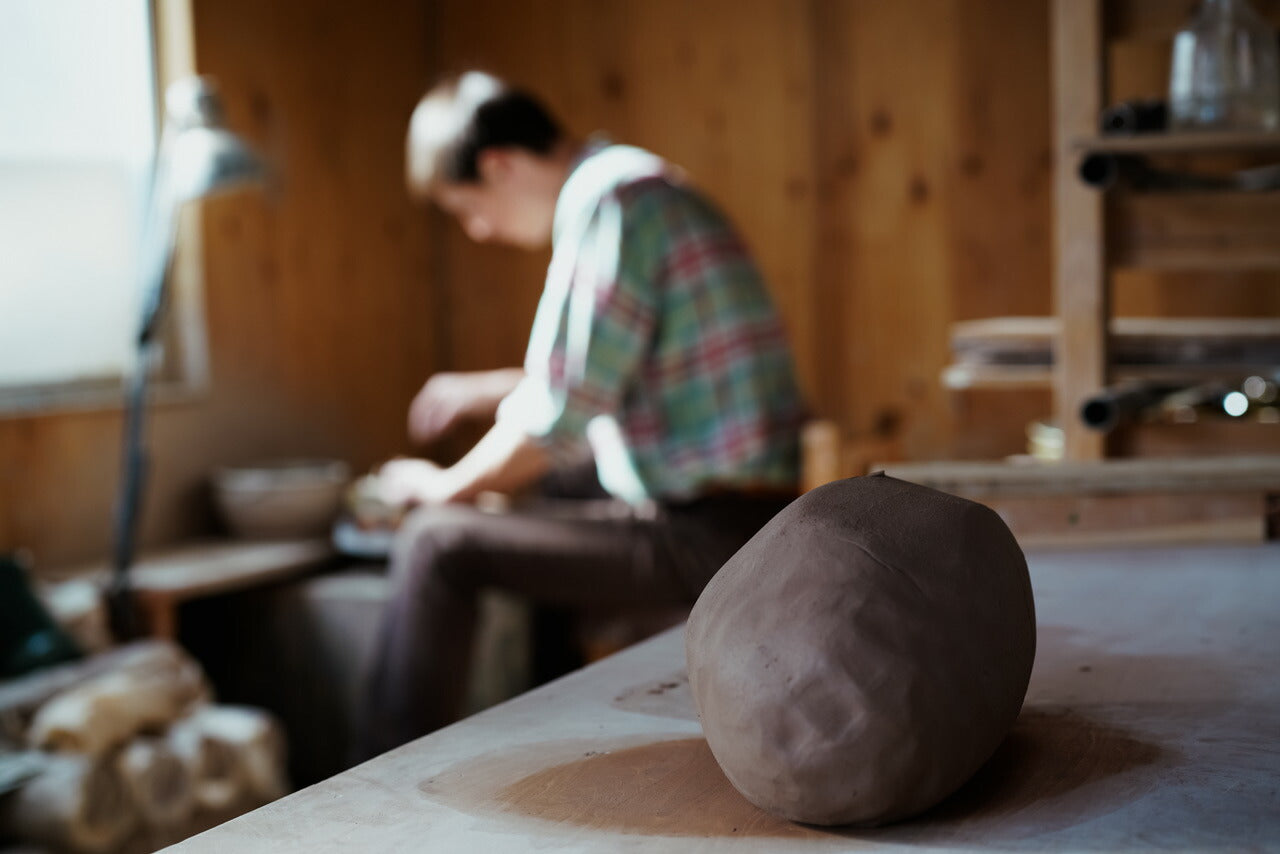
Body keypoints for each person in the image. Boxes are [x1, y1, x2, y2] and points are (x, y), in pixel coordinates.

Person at [359, 70, 806, 757]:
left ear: (499, 166)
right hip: (742, 504)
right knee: (543, 487)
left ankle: (377, 793)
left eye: (467, 209)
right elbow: (619, 373)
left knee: (435, 543)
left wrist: (442, 488)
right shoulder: (639, 184)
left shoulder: (611, 204)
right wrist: (487, 393)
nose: (477, 231)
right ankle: (555, 742)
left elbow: (561, 413)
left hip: (715, 534)